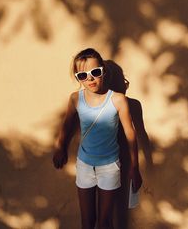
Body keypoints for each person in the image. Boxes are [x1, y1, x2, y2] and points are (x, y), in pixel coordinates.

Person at [53, 48, 142, 229]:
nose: (90, 79)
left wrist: (135, 167)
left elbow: (130, 133)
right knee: (87, 222)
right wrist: (60, 147)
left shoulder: (118, 100)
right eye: (83, 75)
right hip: (84, 165)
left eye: (95, 72)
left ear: (103, 71)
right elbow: (67, 125)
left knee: (105, 222)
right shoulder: (75, 99)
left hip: (110, 167)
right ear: (78, 78)